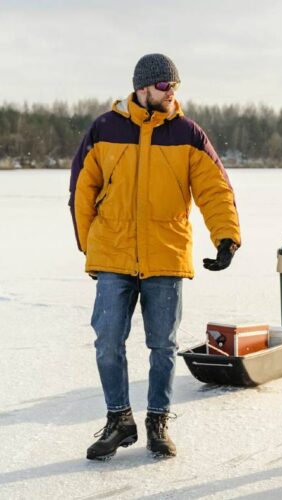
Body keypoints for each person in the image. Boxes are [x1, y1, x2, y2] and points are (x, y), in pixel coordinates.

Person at [69, 53, 241, 461]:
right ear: (142, 88)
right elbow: (82, 190)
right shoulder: (104, 129)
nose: (171, 93)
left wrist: (226, 238)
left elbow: (215, 189)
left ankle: (158, 421)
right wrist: (88, 247)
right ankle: (119, 420)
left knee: (162, 345)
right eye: (164, 86)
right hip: (112, 254)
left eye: (175, 86)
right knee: (108, 342)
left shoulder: (187, 133)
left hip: (165, 254)